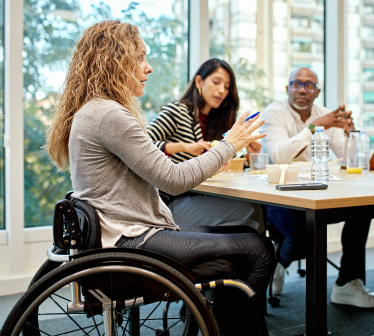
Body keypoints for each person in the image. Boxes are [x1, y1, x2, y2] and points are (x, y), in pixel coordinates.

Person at [45, 20, 275, 335]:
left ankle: (221, 323)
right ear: (114, 60)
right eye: (140, 57)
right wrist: (230, 144)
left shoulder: (93, 110)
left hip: (124, 233)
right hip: (133, 239)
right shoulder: (110, 115)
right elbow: (174, 180)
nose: (148, 67)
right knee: (258, 248)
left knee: (242, 235)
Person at [260, 66, 374, 308]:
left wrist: (348, 135)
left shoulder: (325, 114)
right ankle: (279, 261)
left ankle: (345, 283)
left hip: (321, 192)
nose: (302, 89)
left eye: (309, 85)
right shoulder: (274, 112)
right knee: (302, 240)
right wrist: (314, 127)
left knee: (363, 209)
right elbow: (279, 155)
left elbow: (348, 160)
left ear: (317, 91)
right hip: (281, 196)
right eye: (297, 84)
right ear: (287, 88)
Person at [147, 58, 264, 233]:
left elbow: (227, 163)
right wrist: (185, 147)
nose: (221, 90)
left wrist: (249, 155)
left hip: (202, 195)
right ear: (199, 82)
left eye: (226, 86)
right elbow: (143, 145)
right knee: (250, 212)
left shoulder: (218, 122)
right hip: (168, 202)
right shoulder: (177, 111)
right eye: (216, 82)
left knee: (254, 207)